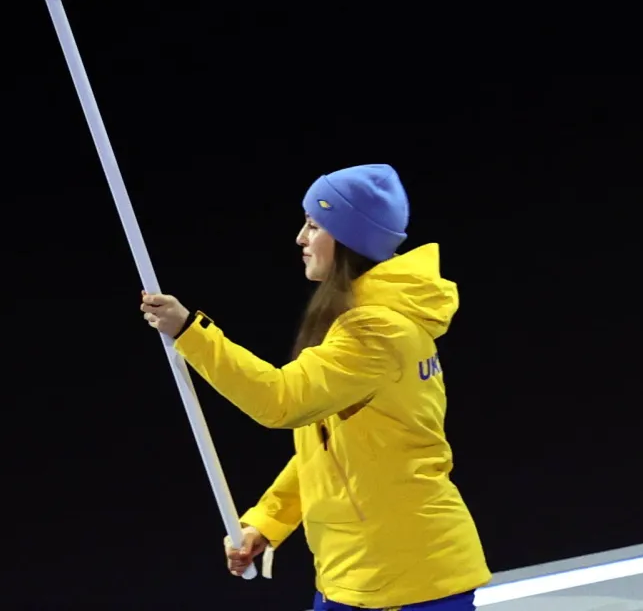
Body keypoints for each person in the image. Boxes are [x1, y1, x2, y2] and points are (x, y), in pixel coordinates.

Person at [140, 163, 489, 611]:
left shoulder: (376, 332)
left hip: (407, 583)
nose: (301, 239)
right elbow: (329, 449)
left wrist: (190, 331)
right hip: (357, 579)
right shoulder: (363, 323)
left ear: (348, 239)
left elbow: (279, 400)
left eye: (313, 225)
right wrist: (267, 523)